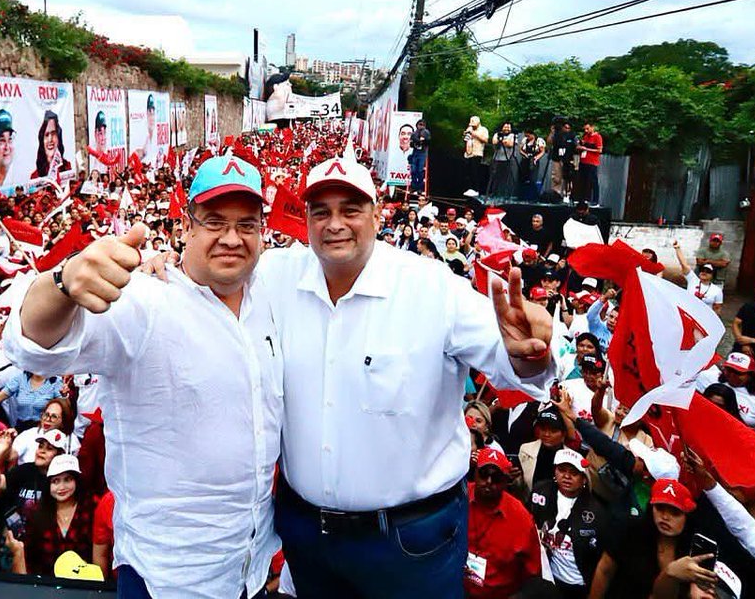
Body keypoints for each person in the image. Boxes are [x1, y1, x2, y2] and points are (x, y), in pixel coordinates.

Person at [249, 148, 553, 599]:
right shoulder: (273, 277)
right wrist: (160, 273)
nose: (335, 224)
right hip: (308, 537)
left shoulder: (432, 288)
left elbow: (512, 359)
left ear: (376, 216)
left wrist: (529, 354)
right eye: (321, 212)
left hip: (411, 544)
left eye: (350, 210)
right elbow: (206, 284)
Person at [2, 152, 282, 599]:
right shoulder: (144, 302)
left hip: (247, 568)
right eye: (214, 221)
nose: (232, 238)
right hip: (168, 577)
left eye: (247, 224)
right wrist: (63, 280)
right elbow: (34, 344)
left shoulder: (271, 296)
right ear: (186, 225)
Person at [589, 479, 704, 598]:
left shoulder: (695, 550)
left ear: (687, 517)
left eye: (674, 512)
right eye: (660, 508)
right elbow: (604, 570)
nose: (665, 517)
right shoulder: (628, 531)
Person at [528, 448, 608, 598]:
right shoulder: (540, 491)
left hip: (580, 585)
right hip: (548, 578)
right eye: (562, 470)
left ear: (584, 479)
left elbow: (603, 561)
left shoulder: (596, 511)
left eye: (574, 473)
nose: (566, 476)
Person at [465, 448, 541, 598]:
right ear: (474, 473)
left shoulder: (521, 518)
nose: (489, 482)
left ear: (506, 481)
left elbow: (532, 570)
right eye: (484, 474)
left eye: (497, 477)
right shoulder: (459, 498)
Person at [7, 454, 95, 577]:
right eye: (55, 481)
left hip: (84, 584)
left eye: (68, 479)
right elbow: (31, 560)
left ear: (76, 480)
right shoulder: (36, 513)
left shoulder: (91, 508)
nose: (61, 487)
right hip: (47, 585)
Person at [673, 241, 724, 315]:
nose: (704, 272)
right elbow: (684, 264)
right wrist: (677, 248)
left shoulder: (717, 290)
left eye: (708, 271)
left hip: (705, 317)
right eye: (702, 270)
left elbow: (717, 308)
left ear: (712, 275)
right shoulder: (693, 280)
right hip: (689, 314)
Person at [32, 110, 74, 182]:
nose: (50, 139)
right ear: (42, 139)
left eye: (53, 133)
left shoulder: (67, 167)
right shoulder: (35, 176)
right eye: (47, 135)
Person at [488, 122, 518, 199]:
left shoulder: (513, 135)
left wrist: (501, 141)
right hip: (497, 158)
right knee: (495, 177)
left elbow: (510, 144)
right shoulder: (497, 134)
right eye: (505, 127)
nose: (506, 129)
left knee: (505, 178)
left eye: (508, 127)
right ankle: (493, 193)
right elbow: (494, 142)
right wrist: (503, 141)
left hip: (507, 159)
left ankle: (503, 194)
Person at [548, 120, 577, 199]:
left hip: (568, 159)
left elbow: (577, 146)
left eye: (568, 128)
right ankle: (555, 194)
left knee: (568, 178)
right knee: (556, 178)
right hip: (557, 158)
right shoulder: (557, 135)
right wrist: (552, 132)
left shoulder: (572, 136)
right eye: (565, 127)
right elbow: (549, 142)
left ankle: (567, 195)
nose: (566, 129)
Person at [576, 121, 603, 205]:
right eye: (585, 129)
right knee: (583, 181)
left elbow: (599, 150)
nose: (586, 131)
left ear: (592, 127)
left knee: (593, 181)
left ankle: (595, 200)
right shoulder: (585, 136)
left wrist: (586, 149)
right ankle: (583, 199)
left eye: (588, 129)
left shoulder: (597, 137)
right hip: (583, 160)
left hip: (592, 162)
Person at [463, 116, 489, 198]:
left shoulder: (483, 130)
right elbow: (465, 139)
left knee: (475, 171)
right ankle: (470, 188)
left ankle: (476, 189)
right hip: (468, 152)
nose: (472, 126)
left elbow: (485, 140)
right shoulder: (469, 129)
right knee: (468, 172)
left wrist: (474, 134)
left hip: (477, 152)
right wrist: (466, 133)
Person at [409, 118, 431, 195]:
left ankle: (420, 188)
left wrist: (422, 140)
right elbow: (411, 144)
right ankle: (414, 186)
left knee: (420, 170)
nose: (421, 126)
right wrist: (416, 141)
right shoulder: (414, 134)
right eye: (419, 125)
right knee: (413, 170)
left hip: (422, 153)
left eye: (422, 125)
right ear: (417, 125)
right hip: (415, 153)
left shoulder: (426, 132)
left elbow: (428, 142)